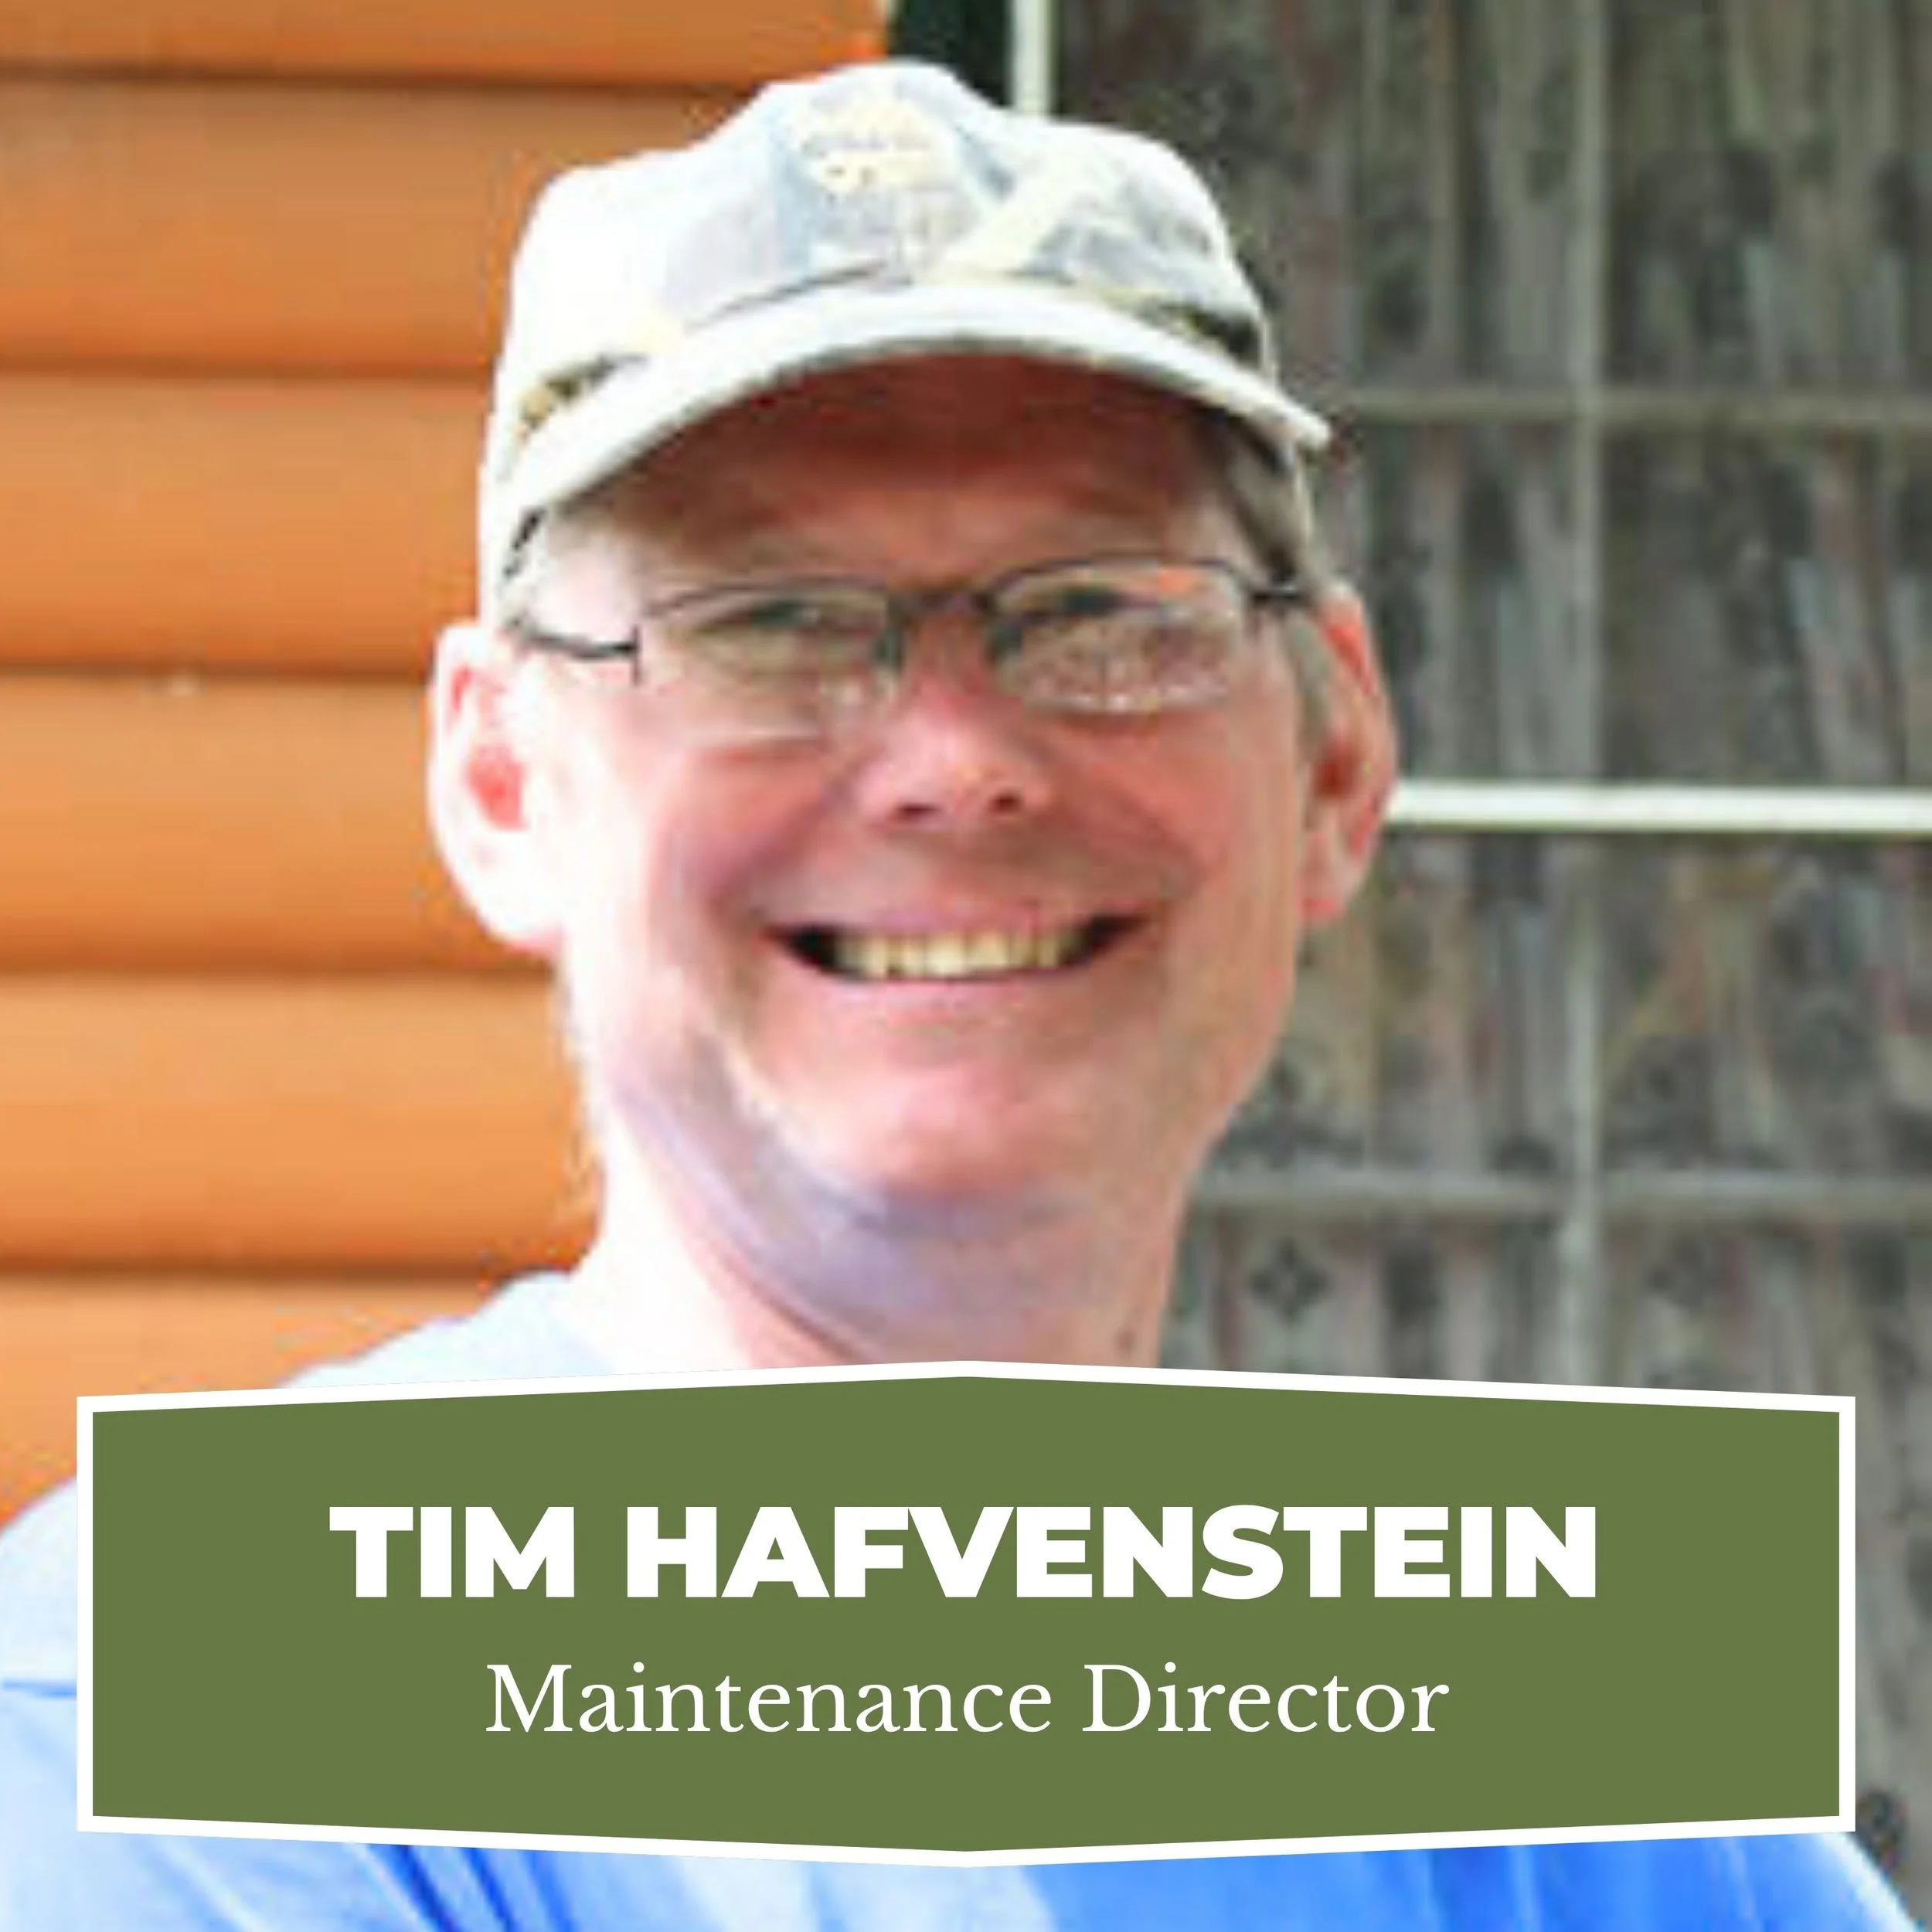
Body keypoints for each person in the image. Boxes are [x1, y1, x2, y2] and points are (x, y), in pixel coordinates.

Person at [0, 58, 1909, 1930]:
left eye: (1097, 610)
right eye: (765, 623)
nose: (949, 758)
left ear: (1330, 763)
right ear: (504, 784)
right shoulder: (165, 1708)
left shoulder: (1540, 1722)